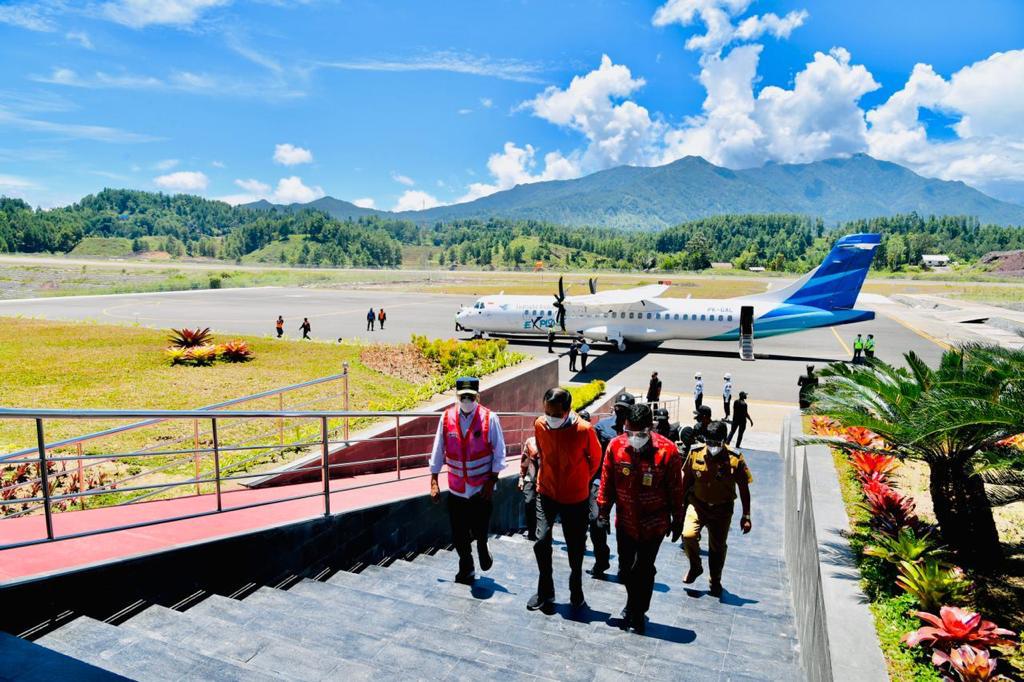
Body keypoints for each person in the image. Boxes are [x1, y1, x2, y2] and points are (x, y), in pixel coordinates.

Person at [597, 404, 685, 633]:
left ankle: (638, 611)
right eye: (629, 432)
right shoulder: (616, 446)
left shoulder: (668, 451)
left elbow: (676, 489)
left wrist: (678, 520)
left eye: (640, 434)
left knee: (643, 569)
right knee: (626, 570)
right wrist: (603, 513)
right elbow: (607, 482)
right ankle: (632, 603)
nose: (634, 438)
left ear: (650, 428)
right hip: (625, 521)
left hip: (654, 523)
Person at [529, 387, 602, 612]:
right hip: (547, 492)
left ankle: (576, 589)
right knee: (541, 541)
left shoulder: (584, 429)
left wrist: (580, 480)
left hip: (575, 498)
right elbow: (541, 451)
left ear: (568, 410)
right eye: (546, 412)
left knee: (576, 547)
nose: (550, 417)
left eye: (555, 414)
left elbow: (596, 459)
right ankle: (545, 591)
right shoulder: (540, 424)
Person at [429, 377, 507, 585]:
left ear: (477, 397)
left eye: (470, 396)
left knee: (479, 528)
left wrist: (492, 481)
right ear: (457, 396)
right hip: (456, 489)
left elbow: (500, 454)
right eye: (462, 396)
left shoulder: (489, 418)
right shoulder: (446, 418)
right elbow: (438, 450)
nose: (466, 399)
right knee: (458, 534)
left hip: (481, 488)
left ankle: (482, 544)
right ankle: (467, 567)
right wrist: (434, 480)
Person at [681, 421, 753, 597]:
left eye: (716, 444)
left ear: (724, 441)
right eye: (709, 443)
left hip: (722, 509)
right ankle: (695, 567)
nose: (712, 447)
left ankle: (715, 580)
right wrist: (678, 506)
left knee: (717, 548)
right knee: (688, 535)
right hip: (697, 505)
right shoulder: (695, 453)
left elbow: (744, 488)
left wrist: (746, 515)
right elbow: (686, 481)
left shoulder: (735, 459)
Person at [592, 392, 636, 578]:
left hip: (627, 486)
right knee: (596, 522)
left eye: (624, 410)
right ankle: (602, 559)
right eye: (617, 408)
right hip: (602, 481)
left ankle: (625, 565)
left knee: (626, 529)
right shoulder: (601, 428)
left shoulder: (637, 432)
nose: (620, 412)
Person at [519, 437, 540, 541]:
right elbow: (524, 460)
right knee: (529, 503)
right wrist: (521, 478)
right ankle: (531, 532)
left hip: (545, 482)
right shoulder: (530, 442)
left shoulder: (551, 440)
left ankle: (542, 532)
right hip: (530, 478)